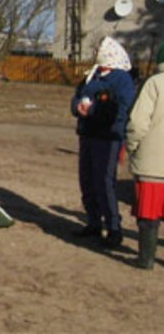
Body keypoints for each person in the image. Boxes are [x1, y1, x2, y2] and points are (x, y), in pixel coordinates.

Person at [70, 36, 136, 247]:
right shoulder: (92, 76)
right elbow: (77, 96)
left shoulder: (121, 79)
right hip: (88, 133)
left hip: (107, 136)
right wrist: (78, 107)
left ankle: (114, 227)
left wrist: (95, 109)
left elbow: (122, 107)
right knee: (87, 179)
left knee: (104, 181)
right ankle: (93, 222)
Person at [126, 42, 164, 269]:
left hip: (152, 165)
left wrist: (133, 146)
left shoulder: (154, 84)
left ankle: (146, 258)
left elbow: (138, 122)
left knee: (149, 215)